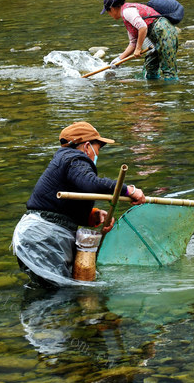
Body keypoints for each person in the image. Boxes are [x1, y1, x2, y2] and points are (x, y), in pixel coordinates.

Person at [12, 121, 146, 288]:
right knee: (61, 293)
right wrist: (128, 190)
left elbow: (58, 205)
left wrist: (92, 216)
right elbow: (91, 184)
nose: (98, 153)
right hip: (43, 238)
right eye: (98, 148)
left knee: (53, 291)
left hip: (36, 236)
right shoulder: (74, 158)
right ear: (87, 146)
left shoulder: (64, 160)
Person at [101, 0, 178, 81]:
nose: (109, 14)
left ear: (112, 9)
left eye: (107, 11)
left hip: (164, 31)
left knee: (168, 69)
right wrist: (119, 59)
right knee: (150, 69)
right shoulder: (126, 17)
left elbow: (143, 27)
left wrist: (138, 48)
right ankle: (155, 91)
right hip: (155, 37)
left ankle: (171, 91)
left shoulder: (127, 11)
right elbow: (133, 43)